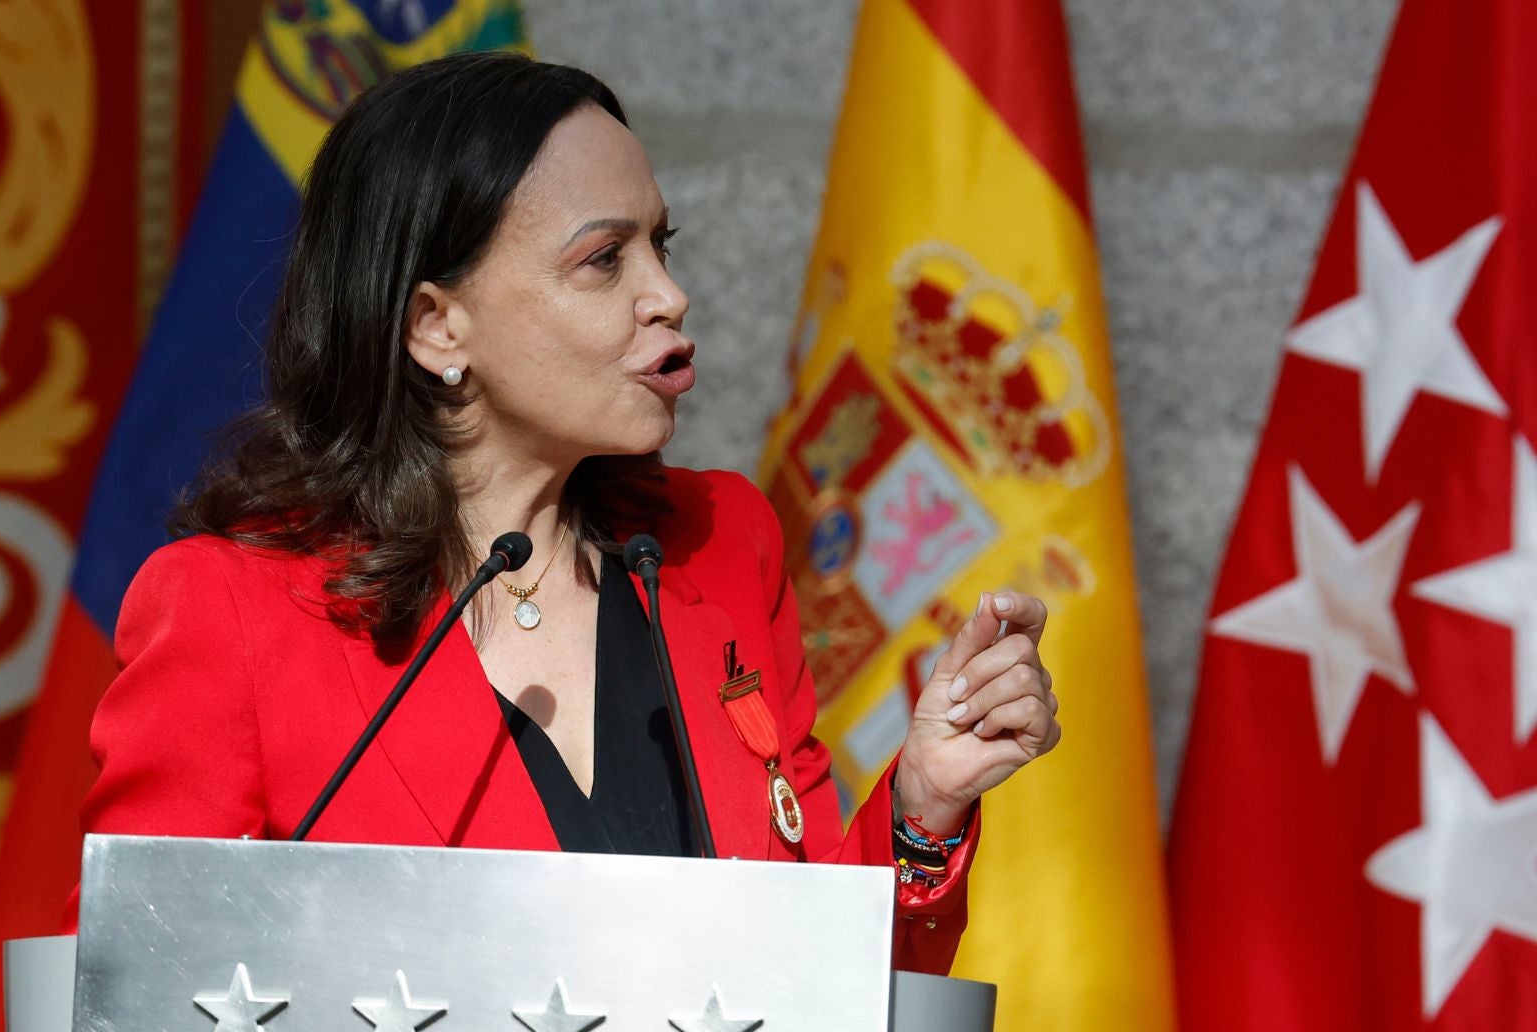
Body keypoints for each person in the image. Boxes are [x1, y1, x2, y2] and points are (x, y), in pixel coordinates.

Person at [68, 51, 1061, 976]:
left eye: (662, 248)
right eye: (603, 261)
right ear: (436, 325)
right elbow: (133, 1001)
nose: (668, 295)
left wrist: (923, 806)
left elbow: (807, 988)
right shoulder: (231, 611)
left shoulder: (720, 543)